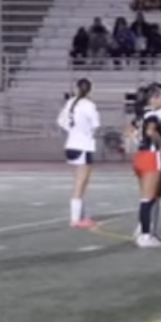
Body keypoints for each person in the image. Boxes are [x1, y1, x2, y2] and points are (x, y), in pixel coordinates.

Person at [130, 83, 161, 247]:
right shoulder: (152, 114)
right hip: (151, 156)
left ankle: (147, 231)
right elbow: (150, 132)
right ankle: (145, 235)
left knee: (148, 197)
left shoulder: (141, 115)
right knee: (148, 198)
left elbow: (130, 131)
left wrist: (138, 140)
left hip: (140, 155)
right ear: (153, 98)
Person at [57, 78, 100, 229]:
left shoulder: (70, 103)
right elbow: (96, 125)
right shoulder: (89, 105)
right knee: (81, 184)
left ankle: (80, 215)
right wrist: (85, 132)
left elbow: (61, 121)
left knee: (79, 182)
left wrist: (73, 131)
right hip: (83, 146)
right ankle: (76, 219)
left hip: (71, 144)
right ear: (90, 90)